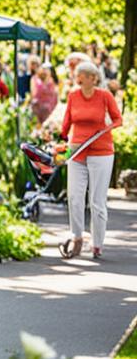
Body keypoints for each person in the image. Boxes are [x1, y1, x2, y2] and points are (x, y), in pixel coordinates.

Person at [58, 60, 123, 259]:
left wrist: (106, 128)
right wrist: (60, 140)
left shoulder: (104, 96)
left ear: (92, 78)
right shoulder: (73, 96)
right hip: (77, 151)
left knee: (96, 201)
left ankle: (97, 244)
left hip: (101, 151)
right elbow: (67, 122)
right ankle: (77, 238)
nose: (78, 78)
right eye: (78, 75)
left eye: (82, 75)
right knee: (75, 197)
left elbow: (118, 119)